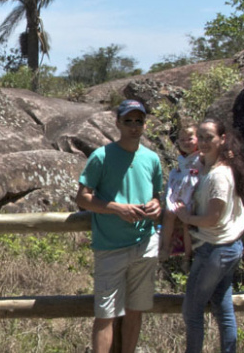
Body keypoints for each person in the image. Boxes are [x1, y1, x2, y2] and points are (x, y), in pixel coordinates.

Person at [76, 99, 163, 353]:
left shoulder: (152, 158)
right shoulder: (101, 157)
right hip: (110, 247)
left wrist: (156, 205)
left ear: (145, 124)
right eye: (128, 121)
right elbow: (83, 198)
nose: (134, 126)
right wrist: (117, 208)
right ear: (117, 123)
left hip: (145, 244)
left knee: (135, 311)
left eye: (139, 121)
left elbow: (156, 195)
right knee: (106, 315)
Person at [174, 118, 244, 353]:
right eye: (201, 137)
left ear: (222, 139)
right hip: (225, 247)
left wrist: (186, 217)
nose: (204, 142)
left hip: (216, 249)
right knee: (221, 305)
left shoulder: (219, 175)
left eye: (210, 137)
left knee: (192, 310)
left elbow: (213, 218)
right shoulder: (206, 166)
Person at [159, 123, 201, 268]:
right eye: (182, 140)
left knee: (186, 224)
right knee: (169, 214)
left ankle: (188, 257)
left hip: (194, 194)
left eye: (190, 138)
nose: (186, 142)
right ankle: (165, 248)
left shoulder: (202, 156)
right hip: (182, 192)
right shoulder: (182, 159)